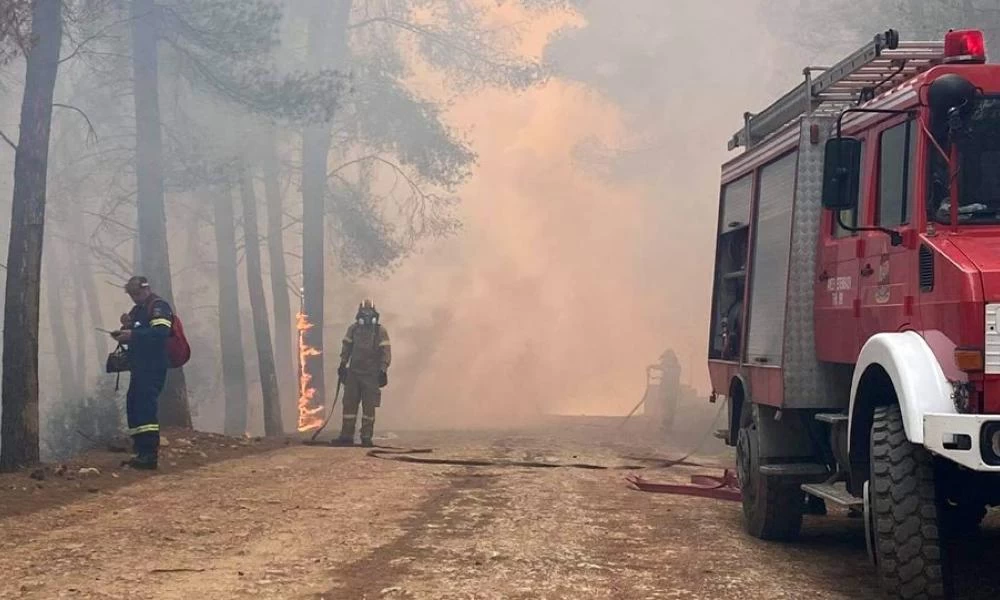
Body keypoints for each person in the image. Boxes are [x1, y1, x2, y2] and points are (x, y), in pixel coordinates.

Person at [110, 276, 174, 470]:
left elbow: (161, 333)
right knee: (134, 405)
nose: (135, 298)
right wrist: (125, 328)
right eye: (131, 295)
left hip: (153, 366)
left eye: (137, 294)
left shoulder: (159, 306)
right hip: (139, 366)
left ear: (146, 289)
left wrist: (133, 334)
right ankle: (139, 451)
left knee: (146, 408)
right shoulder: (137, 310)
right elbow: (134, 334)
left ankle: (149, 455)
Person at [333, 299, 391, 447]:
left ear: (374, 314)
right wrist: (342, 364)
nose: (366, 316)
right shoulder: (353, 329)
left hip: (371, 376)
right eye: (363, 313)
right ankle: (346, 436)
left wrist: (383, 370)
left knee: (369, 408)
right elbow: (346, 347)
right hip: (353, 374)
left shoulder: (380, 331)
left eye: (369, 313)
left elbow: (385, 351)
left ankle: (366, 437)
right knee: (349, 406)